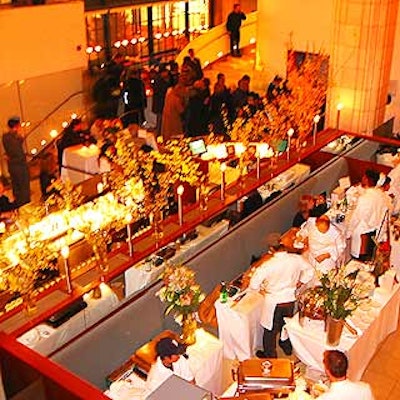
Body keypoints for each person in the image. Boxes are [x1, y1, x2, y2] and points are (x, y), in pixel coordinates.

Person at [249, 243, 314, 358]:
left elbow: (254, 283)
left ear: (271, 249)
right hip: (289, 299)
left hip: (273, 302)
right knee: (286, 324)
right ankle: (286, 346)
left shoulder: (268, 265)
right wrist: (301, 281)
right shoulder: (296, 259)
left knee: (270, 330)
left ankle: (270, 355)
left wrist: (260, 290)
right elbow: (310, 270)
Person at [347, 169, 389, 260]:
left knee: (359, 260)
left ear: (366, 179)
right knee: (370, 258)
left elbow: (356, 218)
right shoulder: (382, 196)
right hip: (376, 232)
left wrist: (348, 231)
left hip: (363, 235)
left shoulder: (364, 199)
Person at [2, 116, 30, 207]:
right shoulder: (12, 138)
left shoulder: (6, 137)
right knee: (23, 189)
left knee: (17, 188)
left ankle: (20, 205)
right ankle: (24, 207)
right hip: (19, 167)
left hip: (13, 166)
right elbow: (17, 153)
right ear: (16, 126)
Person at [152, 65, 172, 136]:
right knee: (160, 121)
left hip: (160, 104)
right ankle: (158, 135)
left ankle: (159, 134)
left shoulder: (160, 80)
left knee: (161, 121)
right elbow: (161, 92)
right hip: (160, 104)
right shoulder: (159, 81)